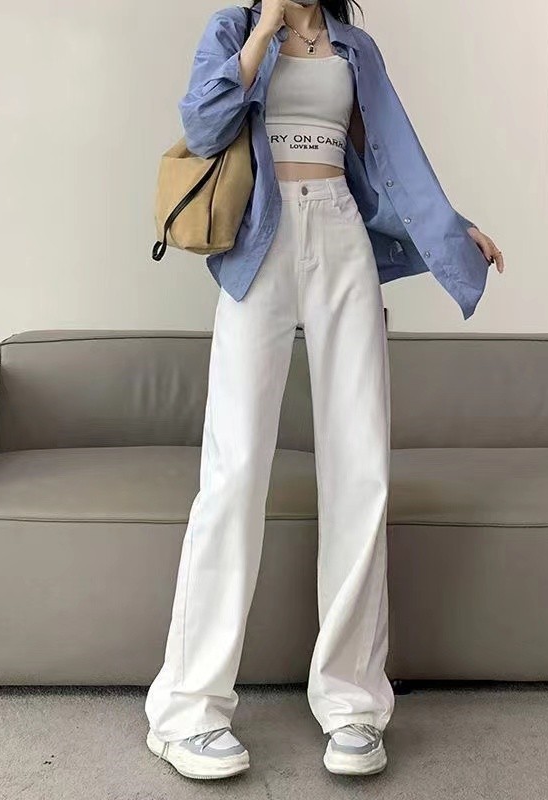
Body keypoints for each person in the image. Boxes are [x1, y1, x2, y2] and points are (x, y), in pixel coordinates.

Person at [145, 0, 505, 781]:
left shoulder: (356, 48)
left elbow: (396, 158)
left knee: (360, 469)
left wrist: (453, 229)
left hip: (341, 238)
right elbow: (203, 124)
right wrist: (266, 28)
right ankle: (186, 709)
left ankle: (353, 705)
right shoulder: (234, 29)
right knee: (234, 470)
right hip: (262, 244)